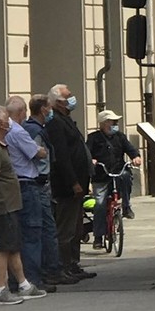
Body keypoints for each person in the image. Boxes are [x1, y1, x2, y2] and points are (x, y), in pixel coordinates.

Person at [0, 106, 48, 305]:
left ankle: (23, 284)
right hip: (2, 205)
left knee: (13, 246)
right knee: (4, 248)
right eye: (7, 120)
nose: (10, 123)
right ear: (0, 124)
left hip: (9, 204)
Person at [24, 94, 77, 286]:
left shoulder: (38, 128)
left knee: (46, 228)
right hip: (38, 184)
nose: (50, 111)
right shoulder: (35, 130)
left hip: (40, 184)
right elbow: (37, 156)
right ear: (44, 109)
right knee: (45, 229)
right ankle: (50, 270)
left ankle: (51, 269)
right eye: (49, 107)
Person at [3, 96, 55, 293]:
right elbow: (37, 153)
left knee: (16, 236)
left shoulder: (4, 131)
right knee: (32, 233)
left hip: (13, 185)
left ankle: (16, 279)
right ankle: (31, 280)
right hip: (27, 184)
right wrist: (42, 150)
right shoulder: (18, 131)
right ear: (21, 112)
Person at [45, 84, 96, 280]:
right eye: (69, 97)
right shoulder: (56, 123)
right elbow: (63, 156)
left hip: (79, 182)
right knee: (65, 228)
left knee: (76, 227)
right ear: (59, 102)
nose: (73, 99)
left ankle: (73, 264)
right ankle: (62, 267)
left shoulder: (65, 119)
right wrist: (73, 182)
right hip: (67, 185)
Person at [86, 110, 143, 248]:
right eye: (113, 122)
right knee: (99, 204)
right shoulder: (94, 138)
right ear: (104, 123)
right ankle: (98, 237)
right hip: (101, 175)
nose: (116, 124)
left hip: (118, 171)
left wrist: (135, 157)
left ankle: (126, 206)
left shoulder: (120, 137)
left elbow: (131, 149)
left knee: (126, 177)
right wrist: (91, 160)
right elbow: (87, 152)